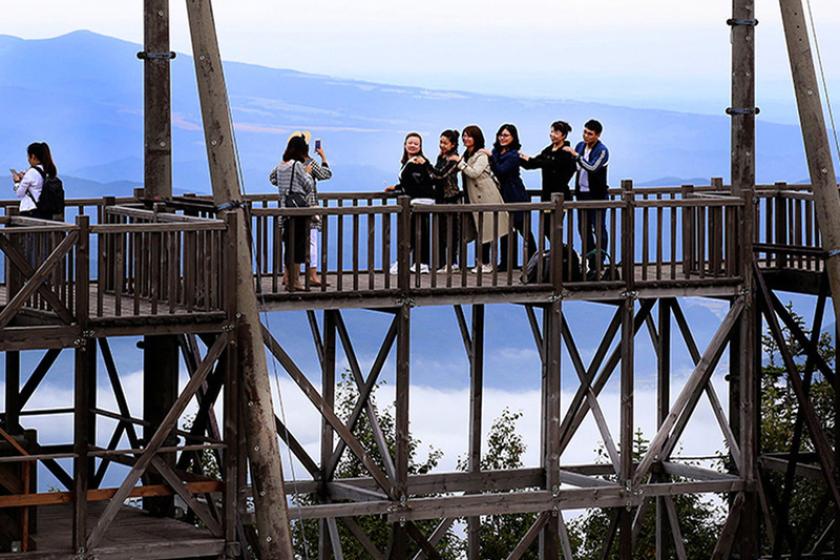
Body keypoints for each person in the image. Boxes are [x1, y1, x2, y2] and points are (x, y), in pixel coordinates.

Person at [449, 126, 509, 273]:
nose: (465, 139)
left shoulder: (481, 155)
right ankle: (481, 263)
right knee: (479, 230)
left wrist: (459, 162)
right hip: (474, 197)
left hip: (486, 197)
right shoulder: (467, 153)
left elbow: (474, 173)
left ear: (476, 138)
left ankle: (486, 264)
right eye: (464, 136)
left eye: (469, 136)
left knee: (486, 230)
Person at [270, 135, 316, 290]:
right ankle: (295, 281)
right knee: (298, 247)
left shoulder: (280, 166)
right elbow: (308, 186)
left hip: (285, 210)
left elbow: (272, 179)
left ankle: (288, 280)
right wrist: (308, 172)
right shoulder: (296, 166)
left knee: (288, 246)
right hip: (298, 211)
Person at [385, 133, 436, 272]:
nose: (412, 145)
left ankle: (411, 263)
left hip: (420, 200)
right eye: (410, 143)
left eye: (416, 144)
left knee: (412, 232)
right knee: (415, 232)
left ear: (420, 147)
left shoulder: (418, 162)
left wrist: (399, 188)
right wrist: (396, 187)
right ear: (405, 145)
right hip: (416, 200)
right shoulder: (409, 162)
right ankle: (417, 263)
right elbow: (409, 183)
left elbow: (417, 183)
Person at [566, 119, 610, 279]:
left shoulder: (602, 150)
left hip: (597, 195)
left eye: (590, 134)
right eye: (584, 132)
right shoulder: (580, 146)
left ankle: (601, 260)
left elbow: (592, 167)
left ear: (597, 135)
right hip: (582, 193)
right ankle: (591, 260)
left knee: (598, 228)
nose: (586, 136)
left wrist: (577, 156)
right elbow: (573, 167)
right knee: (583, 228)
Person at [288, 130, 333, 287]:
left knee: (291, 242)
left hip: (289, 208)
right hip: (309, 207)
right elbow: (325, 174)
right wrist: (323, 157)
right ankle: (312, 275)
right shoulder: (309, 163)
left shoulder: (287, 164)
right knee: (311, 242)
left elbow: (273, 178)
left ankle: (287, 277)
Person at [489, 124, 536, 270]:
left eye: (506, 135)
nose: (502, 138)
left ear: (513, 137)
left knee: (523, 229)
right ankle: (507, 262)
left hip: (516, 194)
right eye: (501, 135)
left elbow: (501, 171)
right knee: (505, 229)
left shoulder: (514, 155)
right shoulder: (497, 152)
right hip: (502, 194)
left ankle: (533, 261)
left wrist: (491, 157)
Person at [520, 121, 577, 240]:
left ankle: (563, 256)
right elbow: (534, 164)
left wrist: (530, 159)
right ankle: (560, 256)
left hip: (560, 196)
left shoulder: (566, 152)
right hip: (547, 195)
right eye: (551, 131)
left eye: (556, 132)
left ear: (563, 135)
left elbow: (550, 164)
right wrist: (519, 158)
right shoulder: (548, 150)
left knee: (555, 229)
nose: (552, 134)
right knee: (547, 229)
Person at [430, 130, 462, 269]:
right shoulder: (441, 157)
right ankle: (443, 263)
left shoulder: (454, 158)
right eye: (440, 142)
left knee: (452, 232)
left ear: (453, 144)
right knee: (441, 232)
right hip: (440, 197)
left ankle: (452, 262)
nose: (442, 145)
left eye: (445, 143)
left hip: (451, 198)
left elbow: (440, 175)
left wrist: (425, 164)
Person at [11, 142, 57, 220]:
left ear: (33, 156)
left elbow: (19, 193)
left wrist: (17, 182)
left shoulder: (31, 172)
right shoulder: (47, 170)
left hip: (31, 212)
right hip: (46, 213)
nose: (28, 159)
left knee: (10, 228)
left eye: (28, 156)